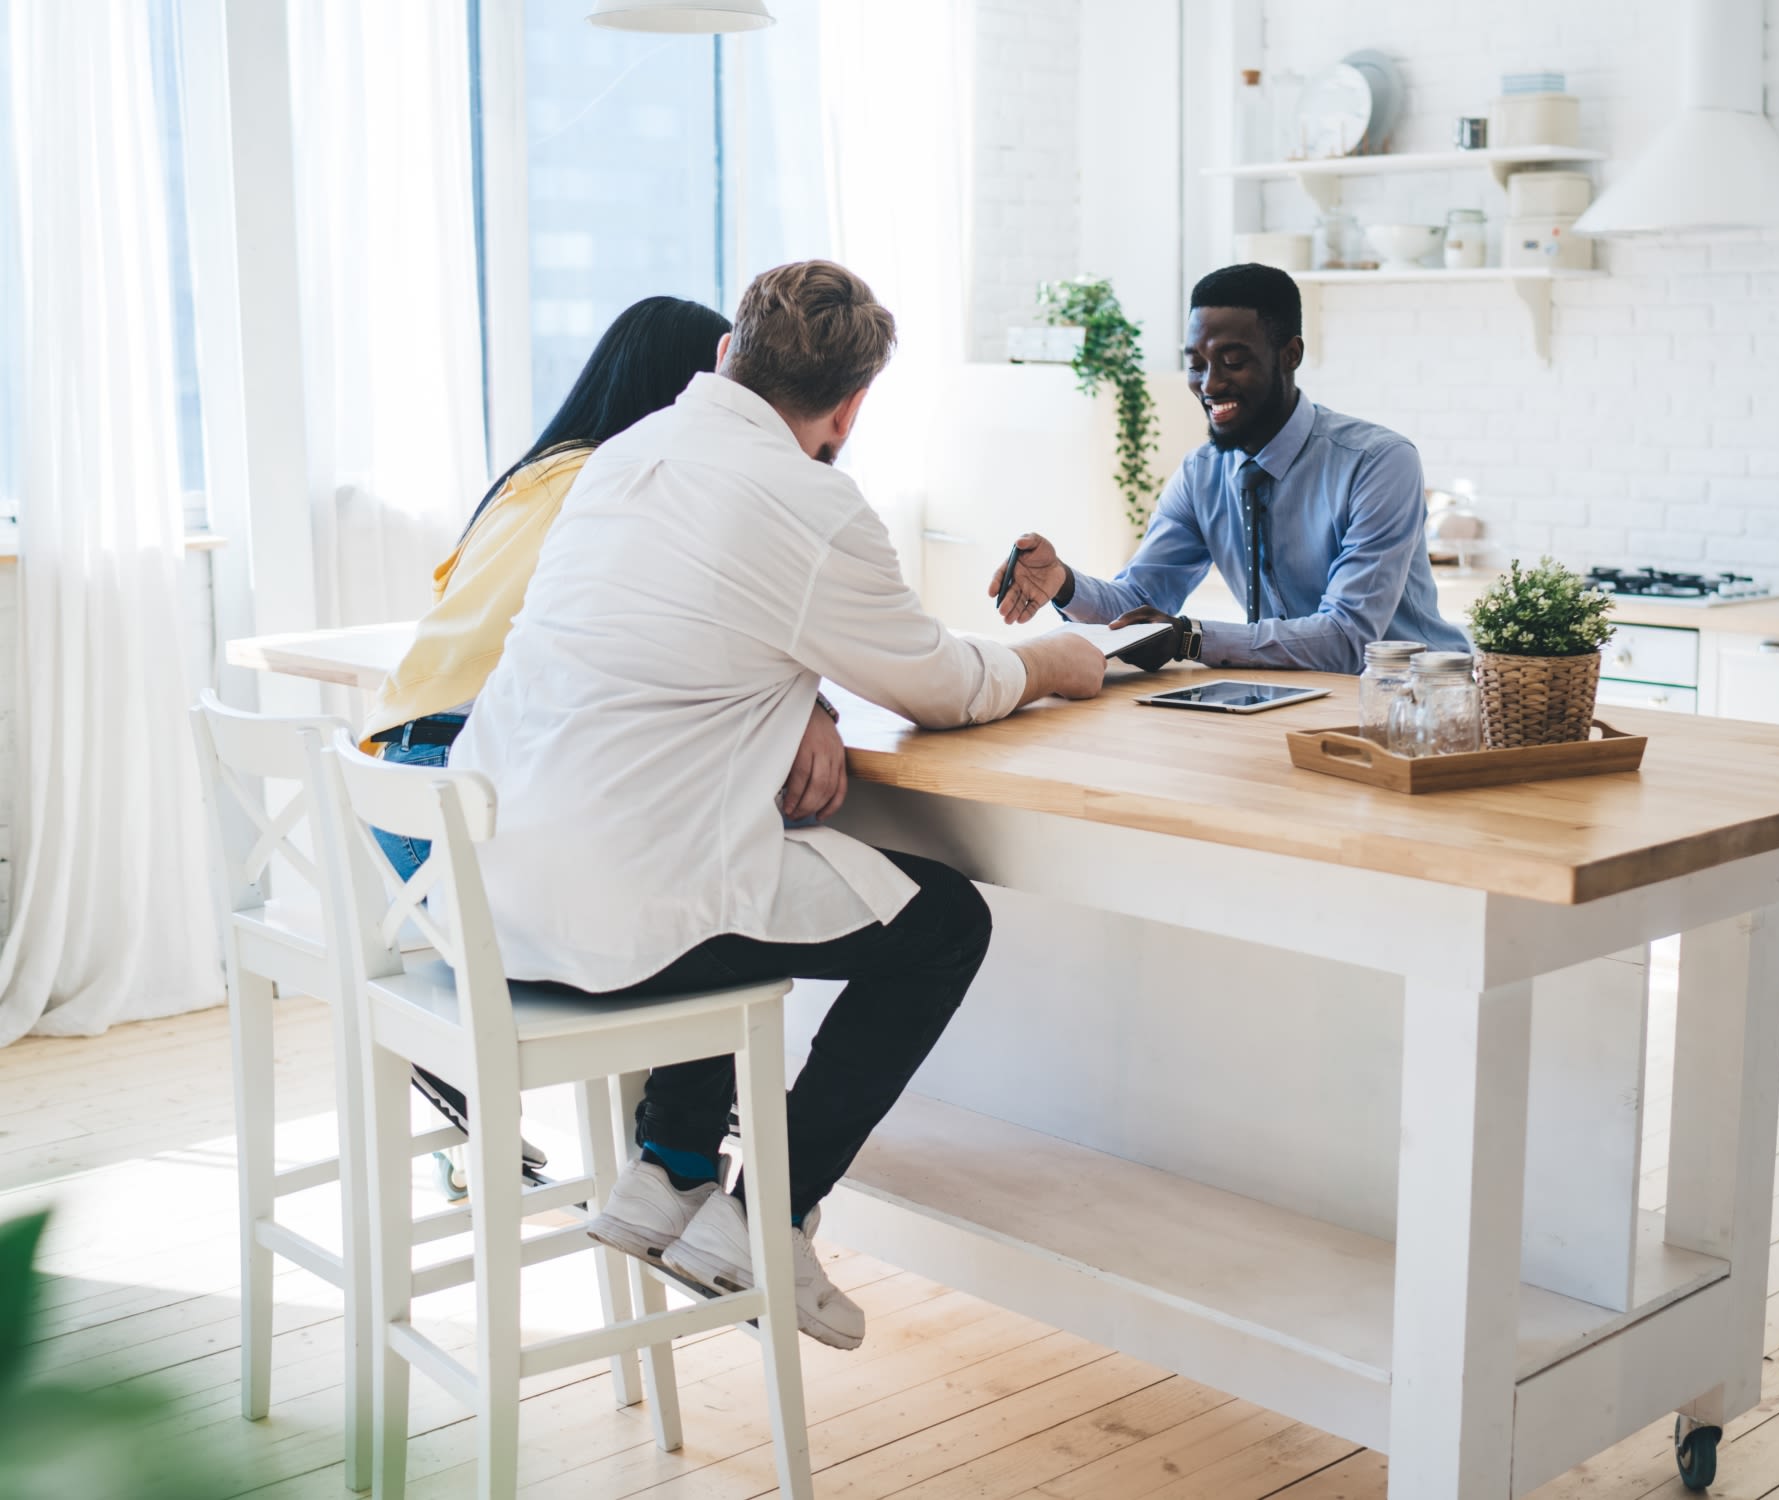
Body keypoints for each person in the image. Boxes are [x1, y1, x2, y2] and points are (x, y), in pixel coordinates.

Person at [449, 259, 1106, 1349]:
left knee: (768, 859)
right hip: (617, 917)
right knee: (944, 924)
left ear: (723, 357)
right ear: (849, 408)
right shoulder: (812, 502)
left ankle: (666, 1178)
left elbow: (684, 635)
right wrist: (1050, 662)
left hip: (497, 888)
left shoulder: (619, 459)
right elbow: (940, 686)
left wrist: (793, 689)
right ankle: (767, 1217)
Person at [360, 295, 731, 1183]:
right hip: (460, 797)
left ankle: (476, 1071)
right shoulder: (620, 485)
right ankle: (676, 1155)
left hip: (393, 800)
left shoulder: (534, 474)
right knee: (699, 881)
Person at [989, 262, 1467, 671]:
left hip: (1417, 704)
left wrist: (1190, 638)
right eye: (1196, 363)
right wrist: (1063, 583)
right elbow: (1137, 600)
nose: (1209, 384)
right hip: (1289, 699)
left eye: (1233, 361)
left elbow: (1348, 640)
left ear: (1290, 356)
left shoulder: (1377, 463)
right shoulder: (1202, 475)